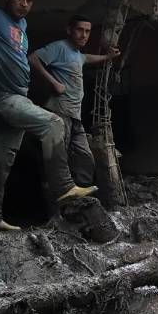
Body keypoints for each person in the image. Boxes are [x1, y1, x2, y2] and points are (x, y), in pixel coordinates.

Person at [0, 0, 96, 231]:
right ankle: (63, 187)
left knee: (0, 165)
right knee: (53, 124)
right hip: (4, 96)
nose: (24, 4)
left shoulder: (23, 25)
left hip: (19, 97)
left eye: (29, 0)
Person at [29, 15, 121, 189]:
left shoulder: (77, 54)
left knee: (85, 158)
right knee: (58, 160)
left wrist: (108, 56)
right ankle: (56, 203)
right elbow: (33, 58)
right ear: (69, 30)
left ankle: (79, 197)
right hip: (59, 113)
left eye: (87, 31)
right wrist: (54, 82)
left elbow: (87, 58)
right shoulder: (60, 47)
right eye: (80, 30)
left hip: (75, 116)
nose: (84, 35)